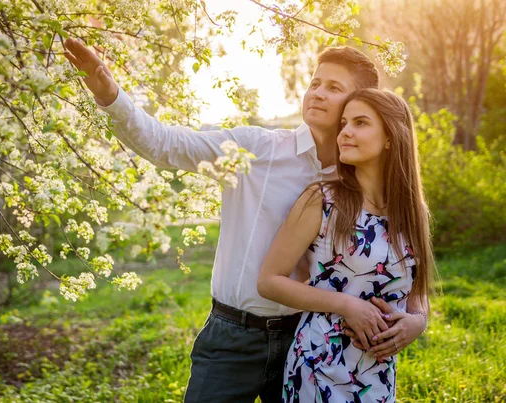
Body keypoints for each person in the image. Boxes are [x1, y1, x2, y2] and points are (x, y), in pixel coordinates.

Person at [63, 39, 427, 402]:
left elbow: (401, 268)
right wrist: (111, 96)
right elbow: (167, 145)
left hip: (305, 341)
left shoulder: (351, 184)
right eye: (314, 83)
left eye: (333, 88)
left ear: (360, 102)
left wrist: (418, 319)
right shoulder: (255, 148)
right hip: (233, 335)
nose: (316, 93)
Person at [257, 89, 433, 403]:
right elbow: (270, 281)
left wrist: (418, 322)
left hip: (377, 376)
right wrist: (346, 304)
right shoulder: (322, 199)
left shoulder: (412, 211)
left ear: (391, 137)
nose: (345, 132)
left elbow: (417, 291)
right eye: (344, 123)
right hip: (318, 367)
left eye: (360, 123)